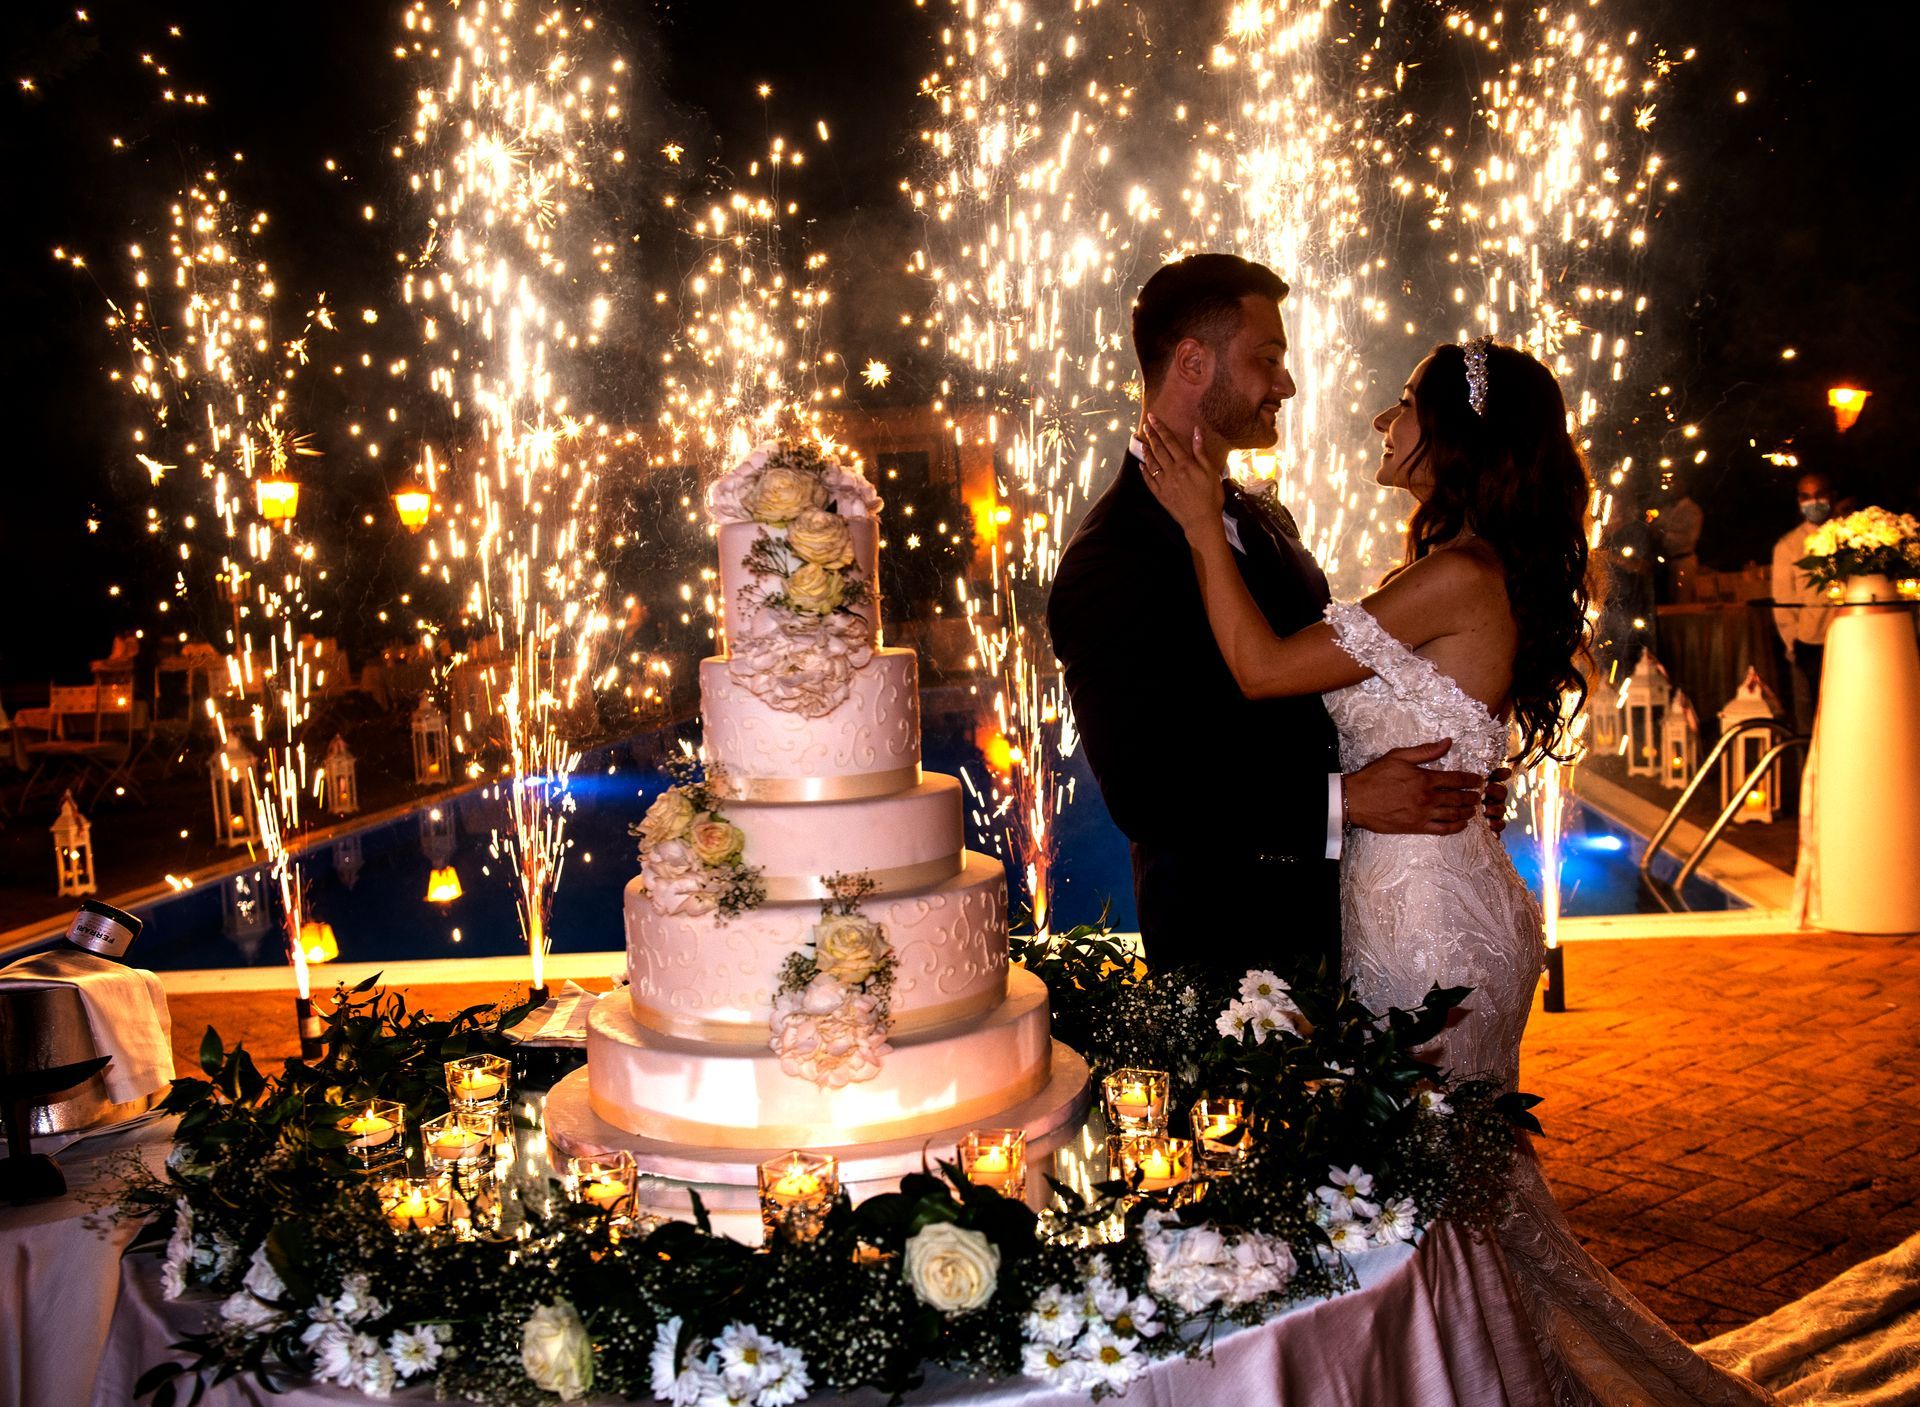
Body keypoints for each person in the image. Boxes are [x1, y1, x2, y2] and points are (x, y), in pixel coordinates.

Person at [1135, 335, 1775, 1405]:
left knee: (1436, 1209)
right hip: (1445, 892)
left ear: (1453, 437)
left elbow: (1261, 671)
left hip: (1425, 928)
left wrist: (1202, 521)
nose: (1382, 425)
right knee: (1458, 1208)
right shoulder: (1474, 568)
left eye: (1401, 408)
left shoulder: (1457, 573)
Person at [1046, 254, 1503, 984]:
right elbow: (1147, 790)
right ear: (1193, 362)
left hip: (1341, 932)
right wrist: (1348, 799)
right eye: (1268, 358)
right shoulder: (1111, 556)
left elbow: (1315, 689)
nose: (1286, 383)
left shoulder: (1262, 519)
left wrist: (1442, 768)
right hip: (1229, 957)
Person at [1771, 469, 1837, 734]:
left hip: (1846, 638)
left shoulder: (1853, 535)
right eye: (1806, 497)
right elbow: (1783, 602)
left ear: (1831, 496)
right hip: (1808, 642)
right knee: (1809, 718)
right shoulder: (1789, 545)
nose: (1814, 502)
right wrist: (1793, 643)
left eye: (1819, 495)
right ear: (1799, 502)